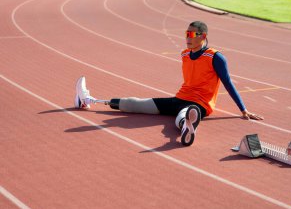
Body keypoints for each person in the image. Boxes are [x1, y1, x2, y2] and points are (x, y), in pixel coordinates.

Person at [75, 21, 263, 146]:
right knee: (136, 104)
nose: (188, 37)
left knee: (184, 114)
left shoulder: (215, 57)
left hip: (200, 104)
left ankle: (186, 128)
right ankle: (91, 100)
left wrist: (243, 110)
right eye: (186, 34)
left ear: (203, 36)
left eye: (192, 34)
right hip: (179, 98)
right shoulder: (184, 54)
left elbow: (228, 83)